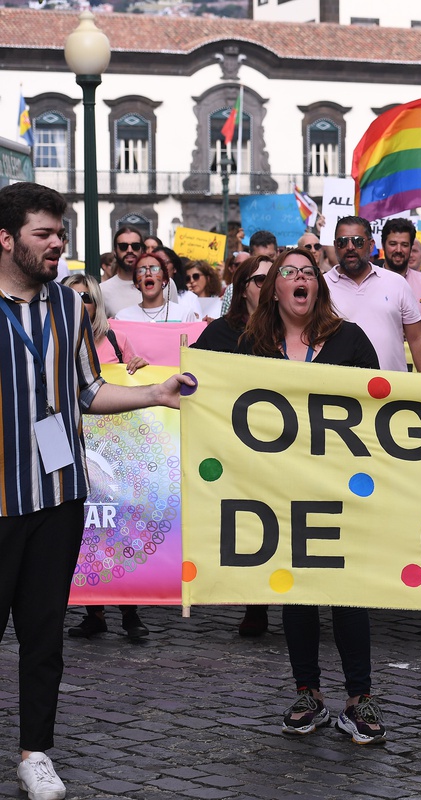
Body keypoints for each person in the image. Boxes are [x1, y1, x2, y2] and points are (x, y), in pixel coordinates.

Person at [0, 182, 192, 800]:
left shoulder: (67, 306)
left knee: (44, 632)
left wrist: (153, 395)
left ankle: (36, 754)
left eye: (60, 233)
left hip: (58, 494)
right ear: (6, 240)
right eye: (44, 234)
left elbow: (86, 390)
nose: (58, 244)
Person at [237, 247, 386, 745]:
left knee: (346, 593)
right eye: (289, 273)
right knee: (296, 593)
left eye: (308, 273)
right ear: (273, 287)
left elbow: (380, 400)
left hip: (343, 488)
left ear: (317, 287)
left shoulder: (348, 338)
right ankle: (308, 693)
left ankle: (358, 699)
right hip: (281, 491)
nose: (300, 279)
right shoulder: (252, 343)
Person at [59, 275, 152, 642]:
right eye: (73, 295)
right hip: (79, 444)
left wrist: (140, 368)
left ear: (97, 302)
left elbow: (138, 381)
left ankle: (130, 613)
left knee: (118, 524)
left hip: (120, 448)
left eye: (86, 296)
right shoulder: (57, 337)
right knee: (86, 528)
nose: (81, 302)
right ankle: (93, 612)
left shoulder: (116, 339)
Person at [191, 254, 273, 636]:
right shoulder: (220, 333)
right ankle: (255, 602)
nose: (268, 287)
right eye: (259, 281)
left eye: (275, 279)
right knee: (254, 523)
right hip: (238, 447)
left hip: (291, 445)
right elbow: (194, 380)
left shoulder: (299, 331)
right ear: (242, 289)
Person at [325, 215, 421, 373]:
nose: (350, 247)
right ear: (335, 246)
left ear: (371, 245)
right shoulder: (320, 286)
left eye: (357, 241)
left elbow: (417, 338)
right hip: (339, 391)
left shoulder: (397, 283)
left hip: (392, 390)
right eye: (342, 242)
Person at [380, 218, 421, 342]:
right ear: (383, 245)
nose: (398, 250)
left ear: (410, 248)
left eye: (404, 245)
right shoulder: (370, 282)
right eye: (393, 244)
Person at [113, 250, 200, 323]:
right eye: (141, 270)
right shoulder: (123, 318)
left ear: (164, 280)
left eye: (154, 269)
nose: (148, 273)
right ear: (136, 283)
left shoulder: (184, 315)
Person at [99, 225, 146, 316]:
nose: (129, 250)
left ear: (142, 250)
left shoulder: (164, 285)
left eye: (135, 246)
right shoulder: (102, 291)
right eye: (123, 246)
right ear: (115, 252)